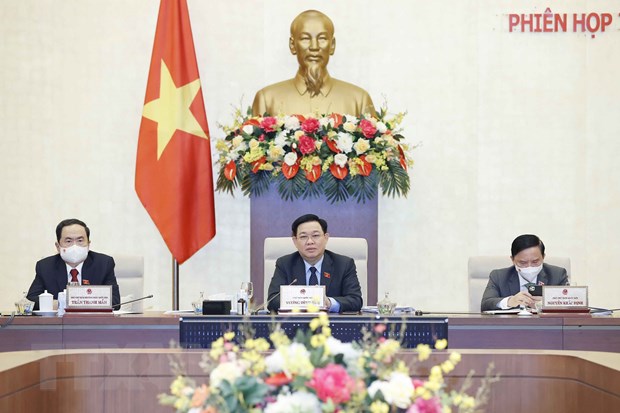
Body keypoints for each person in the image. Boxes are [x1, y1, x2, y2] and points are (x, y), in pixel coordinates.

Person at [252, 9, 375, 117]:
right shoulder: (267, 99)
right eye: (305, 38)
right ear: (292, 45)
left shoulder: (359, 100)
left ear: (332, 45)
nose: (314, 47)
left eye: (322, 38)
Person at [266, 214, 363, 313]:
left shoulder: (344, 264)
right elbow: (272, 301)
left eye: (315, 236)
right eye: (303, 237)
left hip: (331, 322)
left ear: (326, 238)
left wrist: (329, 303)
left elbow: (355, 301)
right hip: (296, 322)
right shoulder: (285, 264)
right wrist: (305, 302)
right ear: (295, 241)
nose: (310, 241)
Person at [26, 218, 121, 310]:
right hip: (59, 320)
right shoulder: (45, 267)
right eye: (68, 241)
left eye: (80, 241)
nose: (75, 246)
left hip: (92, 320)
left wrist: (74, 302)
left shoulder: (104, 264)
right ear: (58, 246)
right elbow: (30, 300)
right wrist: (60, 304)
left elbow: (115, 302)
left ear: (88, 244)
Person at [480, 234, 569, 311]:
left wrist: (547, 304)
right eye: (523, 263)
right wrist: (509, 301)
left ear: (543, 257)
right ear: (512, 260)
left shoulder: (557, 274)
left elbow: (570, 304)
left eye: (535, 262)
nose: (529, 267)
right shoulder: (499, 276)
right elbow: (485, 305)